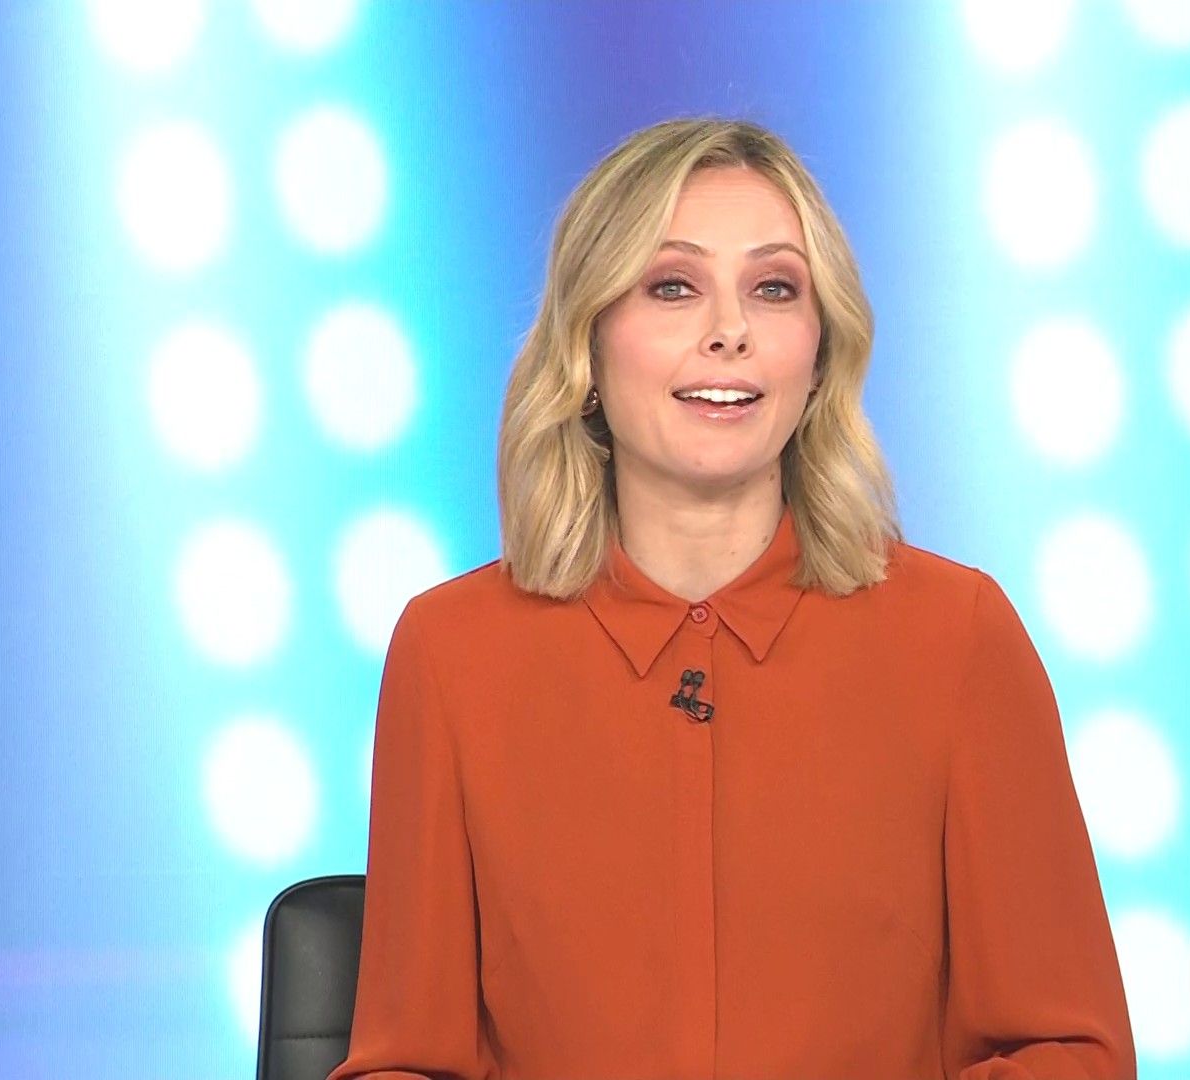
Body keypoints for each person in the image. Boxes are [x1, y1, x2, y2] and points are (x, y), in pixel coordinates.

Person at [326, 116, 1135, 1080]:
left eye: (774, 288)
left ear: (819, 357)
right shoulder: (452, 651)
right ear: (587, 347)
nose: (730, 330)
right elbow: (405, 1060)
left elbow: (1069, 1052)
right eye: (673, 286)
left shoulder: (957, 635)